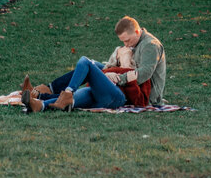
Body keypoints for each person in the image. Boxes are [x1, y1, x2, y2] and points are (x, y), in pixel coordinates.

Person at [21, 16, 167, 112]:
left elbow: (144, 73)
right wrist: (109, 69)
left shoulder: (150, 45)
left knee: (86, 63)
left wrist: (116, 78)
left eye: (127, 40)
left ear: (137, 31)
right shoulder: (135, 42)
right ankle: (45, 96)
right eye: (122, 41)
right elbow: (122, 66)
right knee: (90, 69)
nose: (125, 44)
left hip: (138, 91)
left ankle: (62, 93)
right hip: (123, 84)